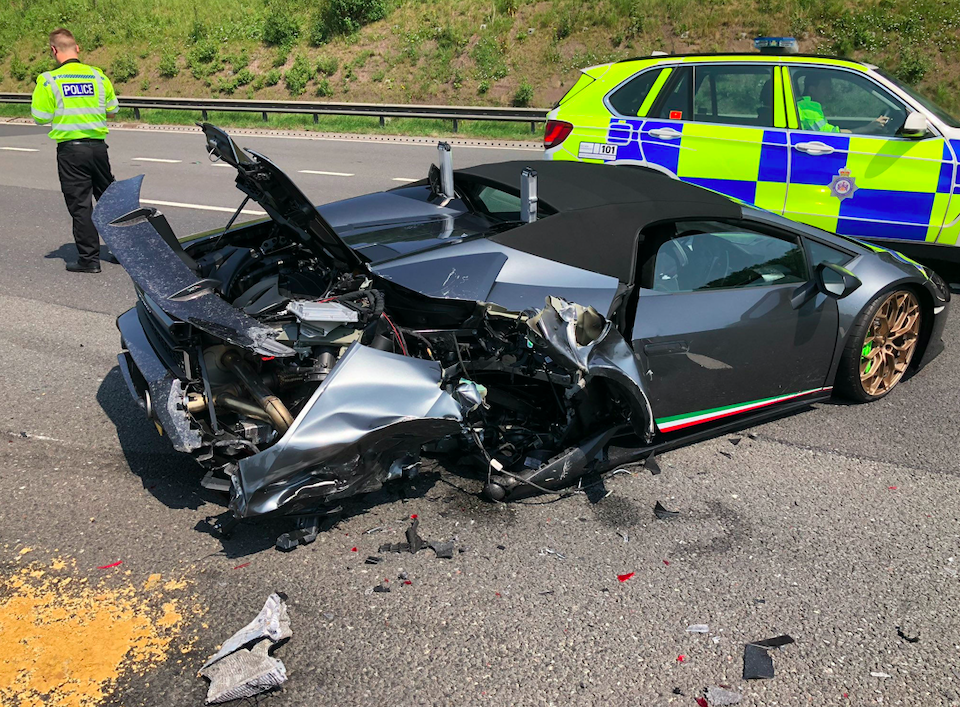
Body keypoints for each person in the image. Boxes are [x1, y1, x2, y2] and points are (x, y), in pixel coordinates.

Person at [31, 28, 119, 273]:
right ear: (77, 48)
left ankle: (89, 261)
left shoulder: (48, 80)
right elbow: (112, 110)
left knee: (81, 206)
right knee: (109, 202)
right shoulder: (97, 76)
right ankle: (125, 253)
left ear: (53, 50)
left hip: (71, 151)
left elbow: (40, 117)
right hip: (99, 149)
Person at [797, 72, 890, 135]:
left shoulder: (808, 104)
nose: (830, 91)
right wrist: (867, 129)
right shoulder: (807, 108)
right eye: (826, 87)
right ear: (812, 89)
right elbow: (831, 134)